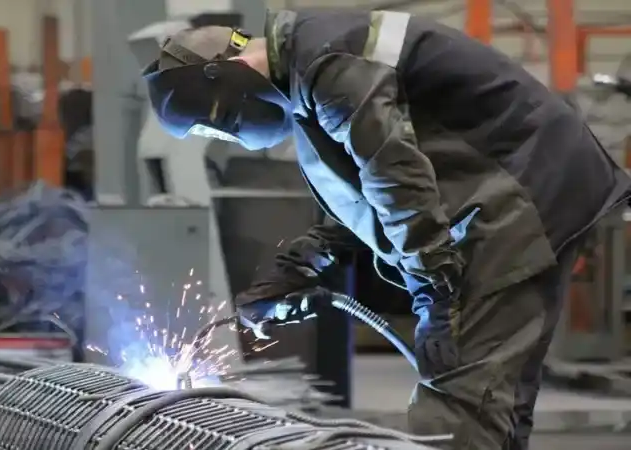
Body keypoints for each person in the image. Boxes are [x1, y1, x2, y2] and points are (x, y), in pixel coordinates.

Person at [140, 7, 631, 449]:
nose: (234, 139)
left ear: (227, 78)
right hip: (519, 184)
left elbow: (393, 174)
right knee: (489, 394)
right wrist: (302, 263)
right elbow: (368, 191)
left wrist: (438, 288)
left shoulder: (328, 65)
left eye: (220, 127)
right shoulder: (307, 74)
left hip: (524, 186)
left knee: (458, 393)